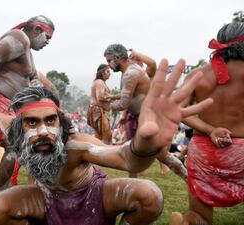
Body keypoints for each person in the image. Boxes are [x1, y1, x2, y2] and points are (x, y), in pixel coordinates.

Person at [0, 58, 213, 225]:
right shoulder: (11, 129)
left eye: (51, 121)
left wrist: (146, 142)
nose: (44, 130)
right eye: (32, 122)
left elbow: (126, 158)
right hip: (45, 200)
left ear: (60, 121)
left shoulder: (74, 144)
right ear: (19, 124)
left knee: (150, 195)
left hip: (92, 198)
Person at [0, 15, 55, 189]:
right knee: (19, 143)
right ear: (37, 30)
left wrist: (37, 88)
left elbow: (31, 77)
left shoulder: (26, 48)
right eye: (47, 37)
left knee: (29, 143)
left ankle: (31, 186)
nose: (47, 42)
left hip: (12, 104)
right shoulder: (19, 38)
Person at [170, 22, 244, 225]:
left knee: (199, 217)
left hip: (204, 153)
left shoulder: (197, 74)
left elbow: (177, 110)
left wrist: (210, 130)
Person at [104, 44, 188, 180]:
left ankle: (187, 177)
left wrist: (105, 105)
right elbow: (129, 95)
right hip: (137, 117)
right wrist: (113, 98)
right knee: (132, 154)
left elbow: (123, 103)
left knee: (161, 155)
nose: (108, 64)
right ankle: (132, 183)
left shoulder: (130, 73)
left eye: (109, 61)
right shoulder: (128, 71)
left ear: (118, 58)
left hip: (145, 118)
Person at [87, 64, 120, 144]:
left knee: (101, 137)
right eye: (108, 71)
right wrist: (115, 97)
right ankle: (104, 154)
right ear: (102, 72)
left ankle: (98, 154)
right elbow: (100, 97)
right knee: (107, 135)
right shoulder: (99, 82)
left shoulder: (101, 82)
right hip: (99, 111)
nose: (110, 73)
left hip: (99, 111)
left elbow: (105, 97)